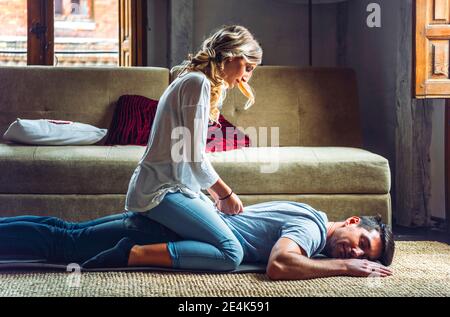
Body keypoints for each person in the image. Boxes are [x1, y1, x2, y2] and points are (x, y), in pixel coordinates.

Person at [123, 25, 263, 271]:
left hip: (174, 186)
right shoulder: (197, 83)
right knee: (231, 252)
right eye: (248, 68)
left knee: (81, 234)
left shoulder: (197, 82)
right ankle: (135, 254)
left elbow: (187, 156)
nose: (247, 77)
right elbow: (194, 156)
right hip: (162, 191)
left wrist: (206, 195)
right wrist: (224, 194)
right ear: (232, 57)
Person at [0, 199, 395, 280]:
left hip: (173, 224)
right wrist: (344, 267)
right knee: (64, 244)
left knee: (66, 232)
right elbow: (279, 264)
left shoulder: (307, 211)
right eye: (361, 241)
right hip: (168, 230)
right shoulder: (309, 231)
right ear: (352, 220)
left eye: (363, 253)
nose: (355, 250)